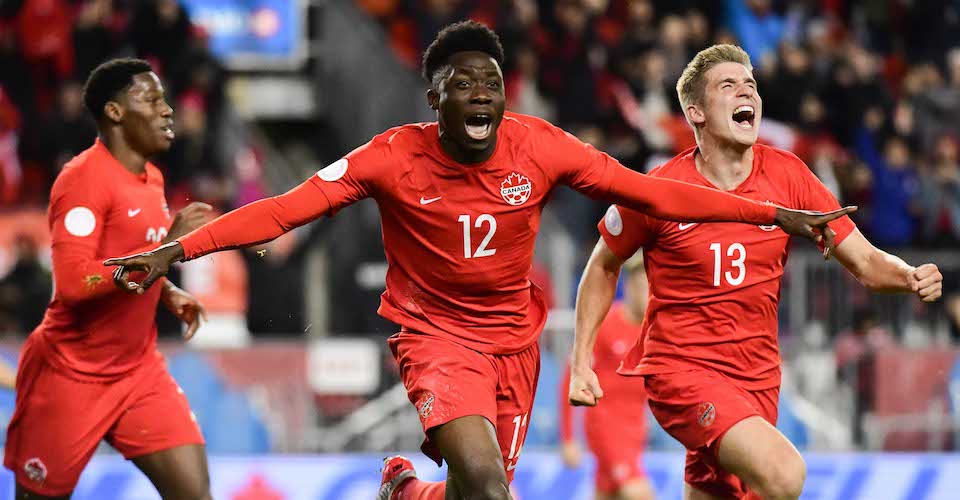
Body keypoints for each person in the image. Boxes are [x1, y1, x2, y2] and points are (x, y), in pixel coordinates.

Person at [103, 24, 850, 500]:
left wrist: (772, 213)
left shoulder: (542, 145)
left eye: (490, 82)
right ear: (434, 97)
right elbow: (283, 208)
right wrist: (177, 248)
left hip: (515, 345)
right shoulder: (392, 157)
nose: (481, 94)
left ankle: (405, 493)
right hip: (436, 340)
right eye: (463, 83)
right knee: (492, 494)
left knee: (471, 495)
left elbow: (652, 192)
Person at [568, 44, 943, 500]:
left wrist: (907, 275)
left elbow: (864, 260)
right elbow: (602, 264)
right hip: (683, 372)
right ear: (696, 113)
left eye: (751, 85)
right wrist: (582, 360)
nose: (746, 92)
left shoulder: (789, 176)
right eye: (728, 86)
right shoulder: (659, 189)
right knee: (784, 474)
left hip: (758, 378)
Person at [4, 58, 214, 500]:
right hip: (69, 377)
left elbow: (126, 258)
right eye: (152, 99)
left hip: (139, 373)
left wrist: (167, 291)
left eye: (164, 99)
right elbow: (76, 282)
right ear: (115, 112)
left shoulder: (152, 178)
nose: (167, 110)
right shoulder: (82, 181)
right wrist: (166, 250)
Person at [559, 254, 654, 500]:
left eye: (650, 286)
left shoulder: (654, 331)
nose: (645, 292)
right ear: (629, 287)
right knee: (639, 494)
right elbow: (572, 375)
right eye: (640, 285)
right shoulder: (606, 324)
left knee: (607, 495)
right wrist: (568, 437)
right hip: (606, 425)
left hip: (635, 428)